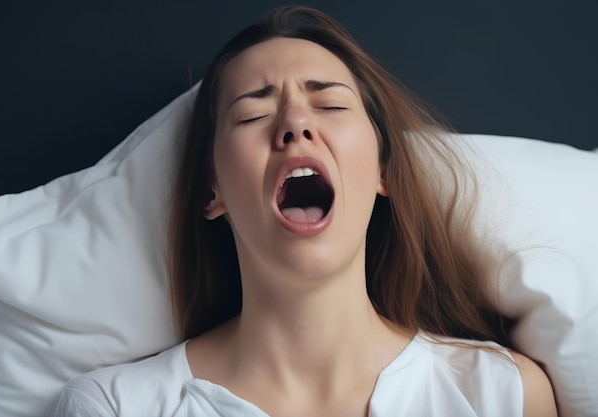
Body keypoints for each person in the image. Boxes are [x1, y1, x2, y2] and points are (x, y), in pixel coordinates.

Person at [52, 5, 557, 416]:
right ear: (213, 191)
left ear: (384, 172)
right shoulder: (114, 406)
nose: (295, 123)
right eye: (253, 113)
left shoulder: (502, 395)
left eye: (330, 105)